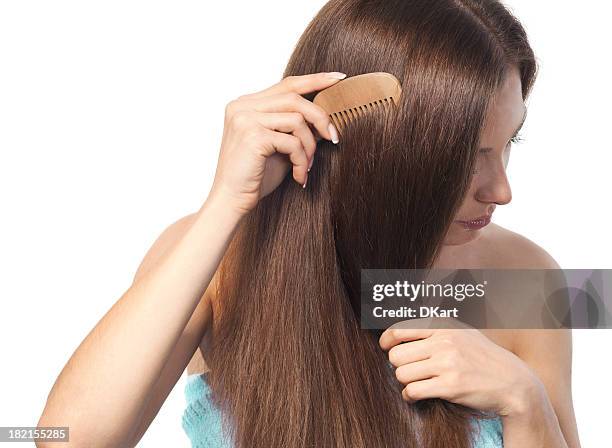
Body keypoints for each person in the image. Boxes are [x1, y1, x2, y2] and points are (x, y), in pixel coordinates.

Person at [38, 0, 581, 447]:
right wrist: (228, 201)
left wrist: (524, 400)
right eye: (467, 158)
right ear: (376, 148)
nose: (502, 192)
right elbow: (65, 439)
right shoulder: (219, 259)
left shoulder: (523, 277)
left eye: (509, 143)